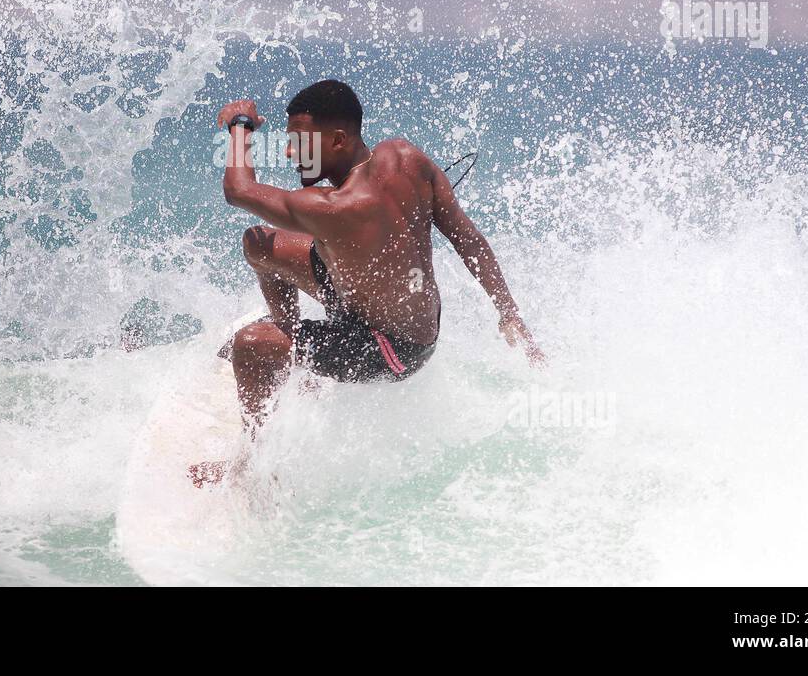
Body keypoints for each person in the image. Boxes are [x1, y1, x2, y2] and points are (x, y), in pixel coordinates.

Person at [189, 79, 545, 486]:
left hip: (392, 348)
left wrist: (240, 124)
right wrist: (509, 314)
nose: (289, 152)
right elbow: (468, 238)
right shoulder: (405, 156)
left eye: (299, 142)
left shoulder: (337, 207)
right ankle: (290, 361)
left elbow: (239, 190)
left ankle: (251, 467)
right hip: (359, 297)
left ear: (338, 140)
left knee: (251, 344)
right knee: (260, 244)